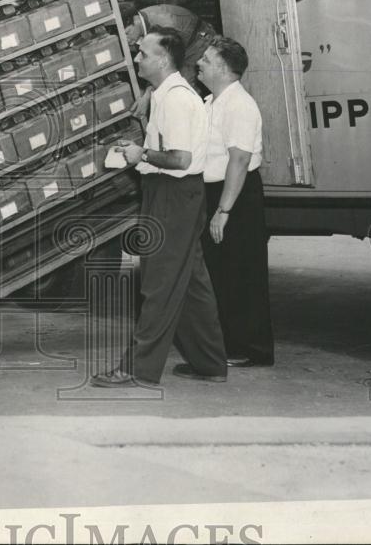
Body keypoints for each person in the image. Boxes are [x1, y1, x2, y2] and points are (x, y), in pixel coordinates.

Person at [91, 27, 227, 387]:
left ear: (163, 59)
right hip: (170, 192)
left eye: (143, 54)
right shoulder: (166, 94)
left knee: (158, 283)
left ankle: (139, 369)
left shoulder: (178, 100)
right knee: (191, 282)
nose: (137, 58)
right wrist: (143, 153)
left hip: (174, 193)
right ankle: (211, 363)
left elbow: (180, 159)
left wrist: (142, 154)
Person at [196, 36, 274, 367]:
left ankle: (252, 350)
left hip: (236, 196)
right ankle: (230, 345)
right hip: (218, 191)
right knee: (223, 274)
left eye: (207, 60)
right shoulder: (213, 101)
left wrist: (223, 211)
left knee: (242, 273)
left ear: (226, 70)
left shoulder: (240, 105)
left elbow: (239, 161)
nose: (199, 63)